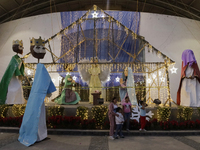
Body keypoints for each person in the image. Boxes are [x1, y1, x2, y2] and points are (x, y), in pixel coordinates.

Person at [18, 37, 56, 147]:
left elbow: (46, 79)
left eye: (43, 48)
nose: (42, 50)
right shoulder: (41, 67)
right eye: (38, 48)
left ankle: (42, 135)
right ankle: (39, 135)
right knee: (37, 117)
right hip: (37, 97)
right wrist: (49, 91)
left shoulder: (40, 67)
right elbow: (46, 79)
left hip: (37, 97)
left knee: (39, 117)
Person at [0, 40, 25, 105]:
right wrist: (18, 73)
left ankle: (18, 101)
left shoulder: (19, 58)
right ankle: (11, 101)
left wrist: (21, 74)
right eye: (21, 47)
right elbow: (14, 67)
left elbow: (21, 67)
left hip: (17, 78)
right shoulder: (14, 58)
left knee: (18, 88)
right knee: (13, 89)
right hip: (13, 77)